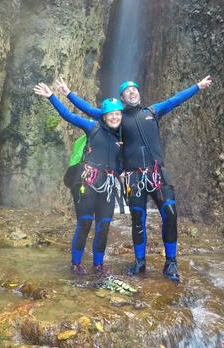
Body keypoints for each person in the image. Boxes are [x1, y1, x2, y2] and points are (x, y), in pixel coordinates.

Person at [55, 75, 213, 282]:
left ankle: (171, 263)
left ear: (139, 93)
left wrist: (197, 87)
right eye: (127, 91)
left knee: (170, 214)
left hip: (158, 174)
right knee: (138, 220)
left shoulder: (153, 111)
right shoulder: (117, 118)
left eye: (134, 89)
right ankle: (139, 262)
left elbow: (175, 100)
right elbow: (87, 111)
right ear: (122, 98)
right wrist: (67, 94)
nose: (132, 92)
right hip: (134, 177)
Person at [33, 82, 125, 276]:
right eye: (111, 114)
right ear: (105, 116)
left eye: (118, 113)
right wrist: (52, 97)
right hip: (87, 182)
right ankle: (76, 263)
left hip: (108, 186)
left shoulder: (123, 136)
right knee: (84, 223)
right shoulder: (93, 127)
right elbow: (69, 116)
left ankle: (98, 265)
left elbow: (120, 163)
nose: (115, 116)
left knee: (104, 226)